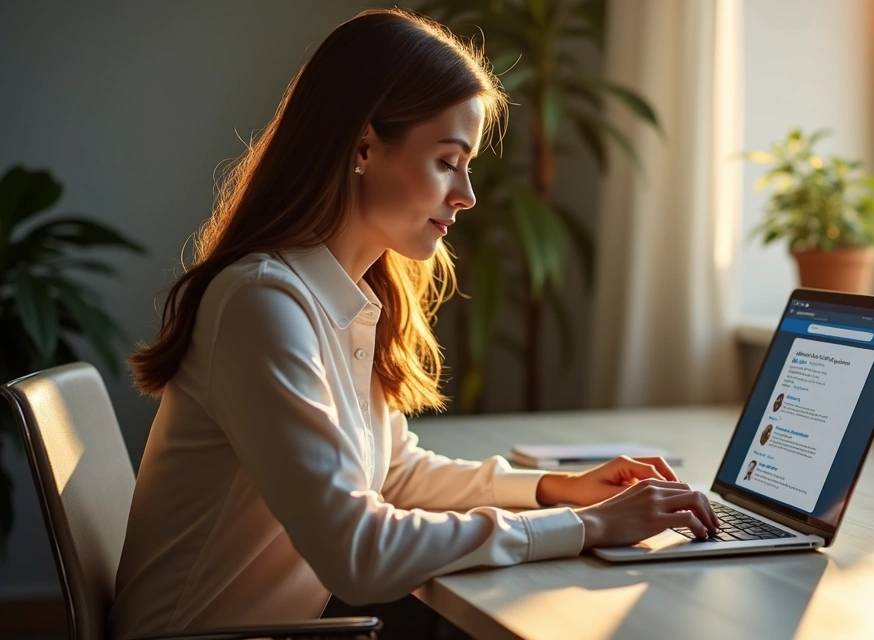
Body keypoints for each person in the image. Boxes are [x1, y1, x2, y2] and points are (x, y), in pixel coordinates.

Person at [110, 10, 717, 639]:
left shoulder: (346, 296)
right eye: (447, 162)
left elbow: (394, 473)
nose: (467, 195)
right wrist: (591, 528)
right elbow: (360, 556)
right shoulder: (262, 306)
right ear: (365, 148)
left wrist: (561, 490)